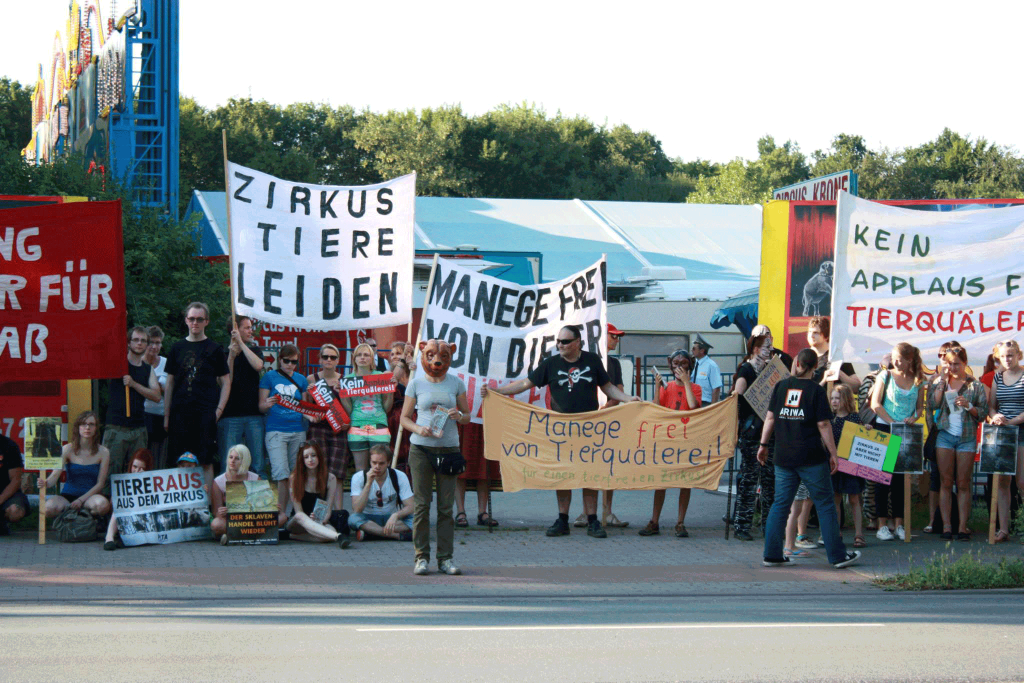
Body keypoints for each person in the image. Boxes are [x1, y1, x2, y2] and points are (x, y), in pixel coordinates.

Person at [481, 325, 639, 540]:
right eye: (558, 341)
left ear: (577, 342)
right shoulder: (552, 363)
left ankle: (592, 520)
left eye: (565, 342)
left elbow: (608, 388)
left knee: (589, 473)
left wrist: (629, 398)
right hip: (560, 430)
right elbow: (526, 383)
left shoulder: (592, 360)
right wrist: (497, 391)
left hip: (588, 428)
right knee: (563, 474)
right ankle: (562, 519)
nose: (560, 345)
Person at [759, 348, 861, 569]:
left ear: (796, 363)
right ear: (815, 368)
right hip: (811, 457)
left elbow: (770, 418)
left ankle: (772, 554)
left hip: (783, 457)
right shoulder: (816, 391)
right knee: (825, 505)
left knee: (780, 504)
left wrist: (763, 444)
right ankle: (837, 556)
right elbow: (824, 424)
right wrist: (833, 453)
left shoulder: (781, 386)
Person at [401, 339, 473, 575]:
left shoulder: (456, 383)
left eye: (442, 357)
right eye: (430, 356)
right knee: (422, 505)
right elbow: (404, 418)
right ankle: (421, 557)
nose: (436, 362)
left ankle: (445, 558)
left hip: (449, 450)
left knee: (445, 508)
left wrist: (458, 414)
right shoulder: (416, 383)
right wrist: (418, 429)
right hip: (421, 449)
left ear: (451, 356)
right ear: (423, 353)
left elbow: (467, 416)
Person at [164, 302, 230, 487]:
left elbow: (226, 382)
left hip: (205, 414)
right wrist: (166, 415)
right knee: (179, 461)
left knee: (205, 461)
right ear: (186, 320)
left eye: (199, 319)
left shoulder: (215, 349)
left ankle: (206, 508)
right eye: (191, 318)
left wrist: (218, 410)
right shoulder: (177, 347)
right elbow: (169, 384)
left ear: (206, 321)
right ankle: (181, 507)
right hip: (179, 414)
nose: (195, 322)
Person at [638, 349, 702, 538]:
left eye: (683, 364)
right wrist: (658, 388)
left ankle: (680, 522)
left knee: (685, 483)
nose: (679, 367)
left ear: (689, 365)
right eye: (675, 364)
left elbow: (692, 406)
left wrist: (687, 383)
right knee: (661, 481)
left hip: (686, 439)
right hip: (667, 440)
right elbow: (656, 409)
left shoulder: (695, 387)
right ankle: (654, 521)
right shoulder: (668, 387)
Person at [927, 344, 987, 541]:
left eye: (957, 364)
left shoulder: (975, 385)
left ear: (965, 363)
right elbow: (933, 404)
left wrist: (968, 406)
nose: (953, 368)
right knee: (945, 482)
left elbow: (983, 414)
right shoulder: (941, 381)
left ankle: (962, 527)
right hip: (945, 435)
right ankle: (946, 526)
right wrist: (943, 382)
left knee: (963, 483)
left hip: (966, 438)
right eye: (950, 364)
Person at [869, 341, 925, 541]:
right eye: (894, 359)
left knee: (901, 480)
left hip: (905, 431)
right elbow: (875, 404)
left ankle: (899, 524)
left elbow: (919, 407)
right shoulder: (885, 375)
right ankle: (882, 525)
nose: (896, 363)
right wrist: (892, 423)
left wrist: (914, 417)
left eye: (900, 360)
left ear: (910, 360)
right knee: (882, 478)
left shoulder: (918, 380)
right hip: (885, 428)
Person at [576, 323, 628, 529]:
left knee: (608, 467)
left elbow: (619, 391)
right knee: (587, 466)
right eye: (613, 336)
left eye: (618, 337)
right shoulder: (586, 361)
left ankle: (607, 511)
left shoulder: (614, 363)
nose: (617, 340)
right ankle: (587, 512)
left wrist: (605, 407)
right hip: (587, 424)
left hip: (607, 423)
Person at [730, 333, 775, 541]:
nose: (770, 349)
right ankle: (741, 525)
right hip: (751, 433)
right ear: (755, 349)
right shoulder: (746, 369)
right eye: (766, 346)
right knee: (749, 479)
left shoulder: (770, 369)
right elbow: (737, 395)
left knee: (769, 482)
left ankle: (769, 526)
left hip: (768, 432)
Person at [259, 344, 310, 526]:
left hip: (297, 430)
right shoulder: (269, 377)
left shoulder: (301, 379)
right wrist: (268, 403)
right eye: (286, 361)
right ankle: (279, 515)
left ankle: (289, 515)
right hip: (276, 430)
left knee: (295, 474)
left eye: (294, 361)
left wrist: (313, 416)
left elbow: (304, 407)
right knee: (281, 473)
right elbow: (261, 406)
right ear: (280, 359)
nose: (290, 365)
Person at [104, 327, 162, 477]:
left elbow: (156, 396)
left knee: (137, 472)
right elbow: (108, 346)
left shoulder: (147, 369)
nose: (139, 343)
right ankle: (107, 500)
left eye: (143, 340)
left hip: (138, 428)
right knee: (111, 470)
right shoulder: (118, 363)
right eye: (136, 340)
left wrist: (134, 384)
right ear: (128, 343)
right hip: (116, 427)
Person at [39, 411, 112, 520]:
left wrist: (81, 500)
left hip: (90, 497)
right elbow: (55, 476)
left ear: (96, 428)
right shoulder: (67, 449)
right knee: (48, 508)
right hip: (68, 496)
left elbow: (100, 484)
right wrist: (45, 483)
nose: (87, 427)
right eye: (83, 424)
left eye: (91, 424)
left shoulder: (104, 452)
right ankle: (68, 519)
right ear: (78, 427)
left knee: (102, 506)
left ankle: (89, 519)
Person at [218, 315, 267, 478]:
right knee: (230, 463)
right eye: (246, 327)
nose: (251, 330)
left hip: (254, 415)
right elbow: (226, 382)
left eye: (250, 327)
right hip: (231, 415)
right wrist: (231, 356)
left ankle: (259, 502)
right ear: (235, 329)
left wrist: (241, 344)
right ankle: (228, 501)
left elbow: (259, 365)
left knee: (257, 463)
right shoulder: (223, 353)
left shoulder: (254, 350)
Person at [988, 340, 1024, 543]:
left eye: (1010, 355)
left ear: (1018, 354)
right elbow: (992, 406)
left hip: (1021, 431)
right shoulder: (997, 377)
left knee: (1021, 481)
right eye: (1003, 356)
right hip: (1002, 433)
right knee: (1002, 481)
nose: (1007, 359)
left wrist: (1013, 421)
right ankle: (1003, 529)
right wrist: (995, 417)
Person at [285, 441, 350, 548]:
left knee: (330, 532)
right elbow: (298, 511)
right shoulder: (294, 478)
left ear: (319, 456)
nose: (310, 460)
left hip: (319, 520)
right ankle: (339, 537)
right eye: (306, 457)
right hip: (298, 523)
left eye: (313, 455)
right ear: (302, 460)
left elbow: (328, 508)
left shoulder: (331, 478)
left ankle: (293, 537)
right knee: (300, 516)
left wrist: (323, 520)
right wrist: (310, 520)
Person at [341, 343, 393, 473]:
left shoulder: (380, 376)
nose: (362, 358)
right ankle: (361, 494)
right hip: (357, 426)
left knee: (380, 469)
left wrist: (390, 391)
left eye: (366, 355)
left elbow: (386, 408)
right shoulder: (347, 379)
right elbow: (348, 410)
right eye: (359, 355)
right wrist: (342, 394)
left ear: (372, 358)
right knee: (360, 471)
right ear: (354, 359)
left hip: (379, 424)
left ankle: (380, 494)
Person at [828, 385, 867, 550]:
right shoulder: (830, 418)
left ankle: (859, 534)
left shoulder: (854, 418)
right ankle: (837, 533)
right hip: (834, 463)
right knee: (835, 498)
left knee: (854, 498)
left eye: (838, 398)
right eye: (832, 398)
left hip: (851, 463)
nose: (834, 401)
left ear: (846, 399)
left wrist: (867, 430)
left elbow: (862, 437)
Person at [306, 343, 350, 486]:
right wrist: (308, 392)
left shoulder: (344, 380)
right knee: (318, 472)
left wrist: (342, 393)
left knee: (337, 475)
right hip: (318, 429)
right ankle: (319, 508)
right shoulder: (311, 379)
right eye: (325, 357)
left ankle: (337, 509)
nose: (329, 360)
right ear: (320, 360)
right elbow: (307, 408)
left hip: (338, 430)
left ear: (338, 360)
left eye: (333, 357)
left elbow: (349, 408)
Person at [349, 444, 414, 541]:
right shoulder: (358, 477)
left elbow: (411, 506)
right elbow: (357, 509)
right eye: (374, 463)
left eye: (381, 463)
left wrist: (395, 515)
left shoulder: (399, 476)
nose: (377, 467)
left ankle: (373, 533)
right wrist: (368, 484)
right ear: (370, 462)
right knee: (353, 519)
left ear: (388, 462)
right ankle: (395, 535)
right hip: (368, 518)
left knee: (419, 519)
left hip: (391, 519)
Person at [104, 448, 155, 550]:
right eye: (135, 467)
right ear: (131, 465)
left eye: (141, 468)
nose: (136, 471)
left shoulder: (153, 482)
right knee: (119, 507)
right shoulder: (123, 480)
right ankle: (109, 538)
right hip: (123, 518)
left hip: (144, 521)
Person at [210, 444, 261, 544]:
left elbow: (262, 507)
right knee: (216, 524)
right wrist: (221, 512)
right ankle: (246, 536)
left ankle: (234, 536)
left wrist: (273, 507)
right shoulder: (219, 481)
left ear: (244, 461)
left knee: (281, 517)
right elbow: (215, 512)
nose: (232, 461)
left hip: (251, 519)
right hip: (230, 520)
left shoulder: (255, 479)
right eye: (230, 457)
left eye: (237, 458)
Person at [806, 316, 860, 390]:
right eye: (809, 332)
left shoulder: (836, 357)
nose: (811, 336)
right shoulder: (803, 357)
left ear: (826, 337)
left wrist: (839, 373)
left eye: (816, 333)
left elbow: (856, 386)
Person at [142, 326, 169, 466]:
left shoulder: (166, 363)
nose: (154, 346)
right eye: (151, 342)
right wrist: (157, 387)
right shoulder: (138, 362)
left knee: (159, 459)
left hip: (161, 416)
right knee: (142, 457)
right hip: (142, 415)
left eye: (158, 343)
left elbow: (170, 389)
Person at [0, 433, 29, 535]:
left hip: (6, 493)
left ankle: (3, 523)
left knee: (15, 511)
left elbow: (16, 480)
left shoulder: (8, 445)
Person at [690, 333, 723, 406]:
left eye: (694, 348)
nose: (692, 350)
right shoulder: (694, 363)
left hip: (705, 403)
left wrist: (712, 408)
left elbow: (716, 388)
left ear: (702, 350)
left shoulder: (711, 365)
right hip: (693, 401)